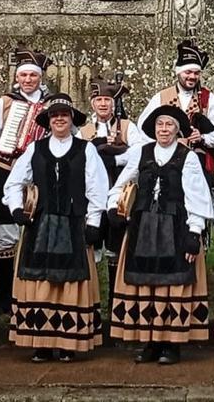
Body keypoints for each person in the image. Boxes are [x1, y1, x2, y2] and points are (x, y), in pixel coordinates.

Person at [2, 94, 109, 363]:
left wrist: (94, 222)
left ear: (72, 119)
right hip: (41, 224)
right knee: (40, 280)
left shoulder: (87, 150)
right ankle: (41, 342)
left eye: (64, 114)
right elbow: (14, 183)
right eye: (54, 115)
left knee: (70, 281)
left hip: (74, 224)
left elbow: (97, 188)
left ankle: (68, 342)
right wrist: (17, 208)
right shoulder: (34, 149)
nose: (59, 119)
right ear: (48, 121)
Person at [106, 105, 213, 365]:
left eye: (169, 125)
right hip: (143, 227)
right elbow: (122, 183)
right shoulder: (141, 153)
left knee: (172, 285)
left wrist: (194, 232)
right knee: (147, 285)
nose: (164, 130)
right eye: (160, 125)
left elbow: (196, 196)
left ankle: (171, 344)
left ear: (178, 130)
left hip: (175, 229)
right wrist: (114, 208)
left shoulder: (187, 157)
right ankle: (150, 341)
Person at [0, 48, 52, 318]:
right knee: (5, 233)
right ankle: (2, 296)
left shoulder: (51, 104)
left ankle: (36, 293)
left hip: (40, 175)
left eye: (32, 76)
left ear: (40, 77)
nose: (28, 80)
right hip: (6, 169)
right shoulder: (5, 102)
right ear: (17, 77)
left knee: (39, 230)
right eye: (23, 75)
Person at [133, 40, 214, 184]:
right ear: (178, 72)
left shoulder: (207, 98)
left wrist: (203, 137)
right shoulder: (161, 97)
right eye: (188, 72)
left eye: (196, 73)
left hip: (195, 163)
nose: (192, 77)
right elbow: (142, 129)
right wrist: (162, 142)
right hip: (163, 160)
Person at [77, 74, 136, 309]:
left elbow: (141, 153)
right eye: (99, 100)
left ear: (114, 103)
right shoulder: (84, 131)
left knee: (116, 246)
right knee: (91, 243)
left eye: (107, 100)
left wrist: (116, 157)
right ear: (92, 103)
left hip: (118, 192)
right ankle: (89, 303)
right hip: (91, 195)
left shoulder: (128, 127)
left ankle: (115, 303)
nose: (103, 104)